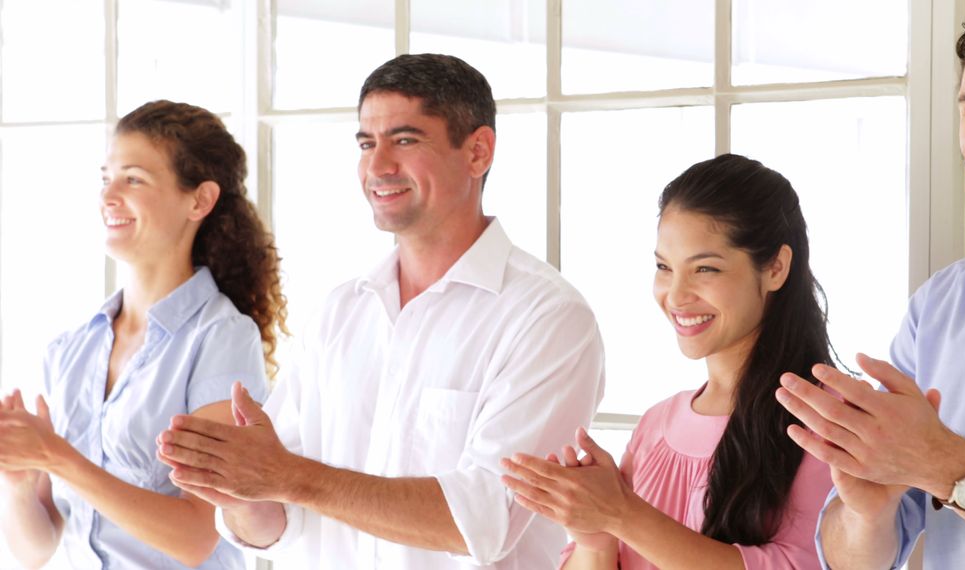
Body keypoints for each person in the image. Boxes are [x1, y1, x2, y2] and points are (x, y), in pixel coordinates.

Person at [156, 53, 606, 569]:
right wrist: (239, 491)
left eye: (406, 140)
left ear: (478, 151)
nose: (378, 166)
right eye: (367, 144)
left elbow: (483, 519)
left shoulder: (548, 320)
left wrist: (286, 476)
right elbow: (282, 520)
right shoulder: (341, 311)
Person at [774, 1, 965, 568]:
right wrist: (868, 513)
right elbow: (853, 559)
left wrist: (951, 468)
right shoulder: (938, 307)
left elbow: (944, 466)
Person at [501, 154, 835, 569]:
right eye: (664, 267)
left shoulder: (825, 422)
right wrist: (596, 537)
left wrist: (621, 513)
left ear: (776, 268)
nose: (676, 296)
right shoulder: (656, 426)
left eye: (705, 269)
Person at [0, 100, 287, 569]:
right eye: (105, 178)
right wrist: (18, 487)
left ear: (200, 200)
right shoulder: (71, 349)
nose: (109, 196)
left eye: (133, 179)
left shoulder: (222, 339)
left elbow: (197, 536)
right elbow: (37, 549)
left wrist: (56, 456)